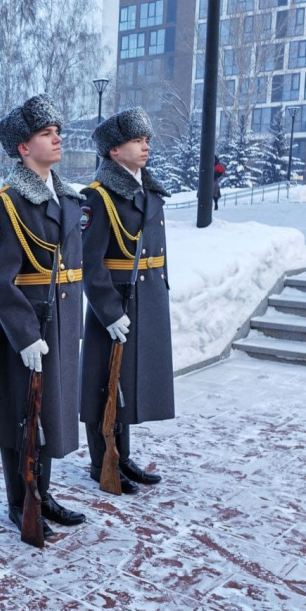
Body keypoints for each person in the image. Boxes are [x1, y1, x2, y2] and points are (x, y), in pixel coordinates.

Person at [0, 95, 86, 537]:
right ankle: (21, 502)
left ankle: (44, 494)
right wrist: (24, 334)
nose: (57, 138)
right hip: (28, 329)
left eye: (57, 131)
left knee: (50, 413)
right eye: (45, 133)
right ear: (23, 147)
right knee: (23, 416)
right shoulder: (7, 204)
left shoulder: (68, 197)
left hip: (61, 325)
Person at [79, 107, 174, 494]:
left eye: (146, 139)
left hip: (146, 297)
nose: (146, 146)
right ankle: (102, 461)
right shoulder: (98, 196)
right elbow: (89, 262)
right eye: (137, 140)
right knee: (105, 382)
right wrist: (109, 311)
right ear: (114, 151)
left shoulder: (147, 190)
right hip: (116, 301)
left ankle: (123, 455)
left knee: (127, 382)